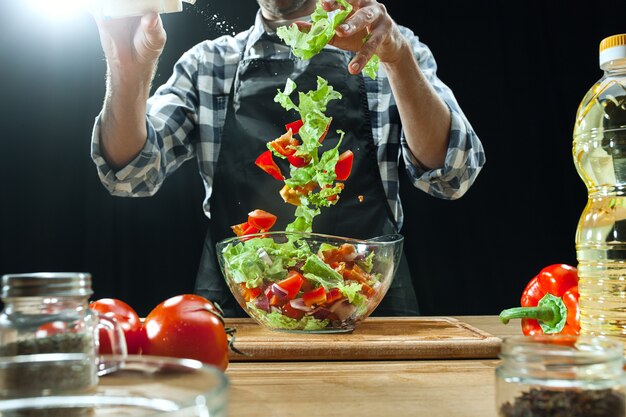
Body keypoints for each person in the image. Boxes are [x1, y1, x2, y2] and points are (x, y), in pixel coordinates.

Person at [90, 0, 486, 317]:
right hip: (241, 308)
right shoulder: (209, 64)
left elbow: (453, 174)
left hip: (367, 304)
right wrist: (129, 70)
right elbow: (130, 175)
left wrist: (397, 59)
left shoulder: (390, 50)